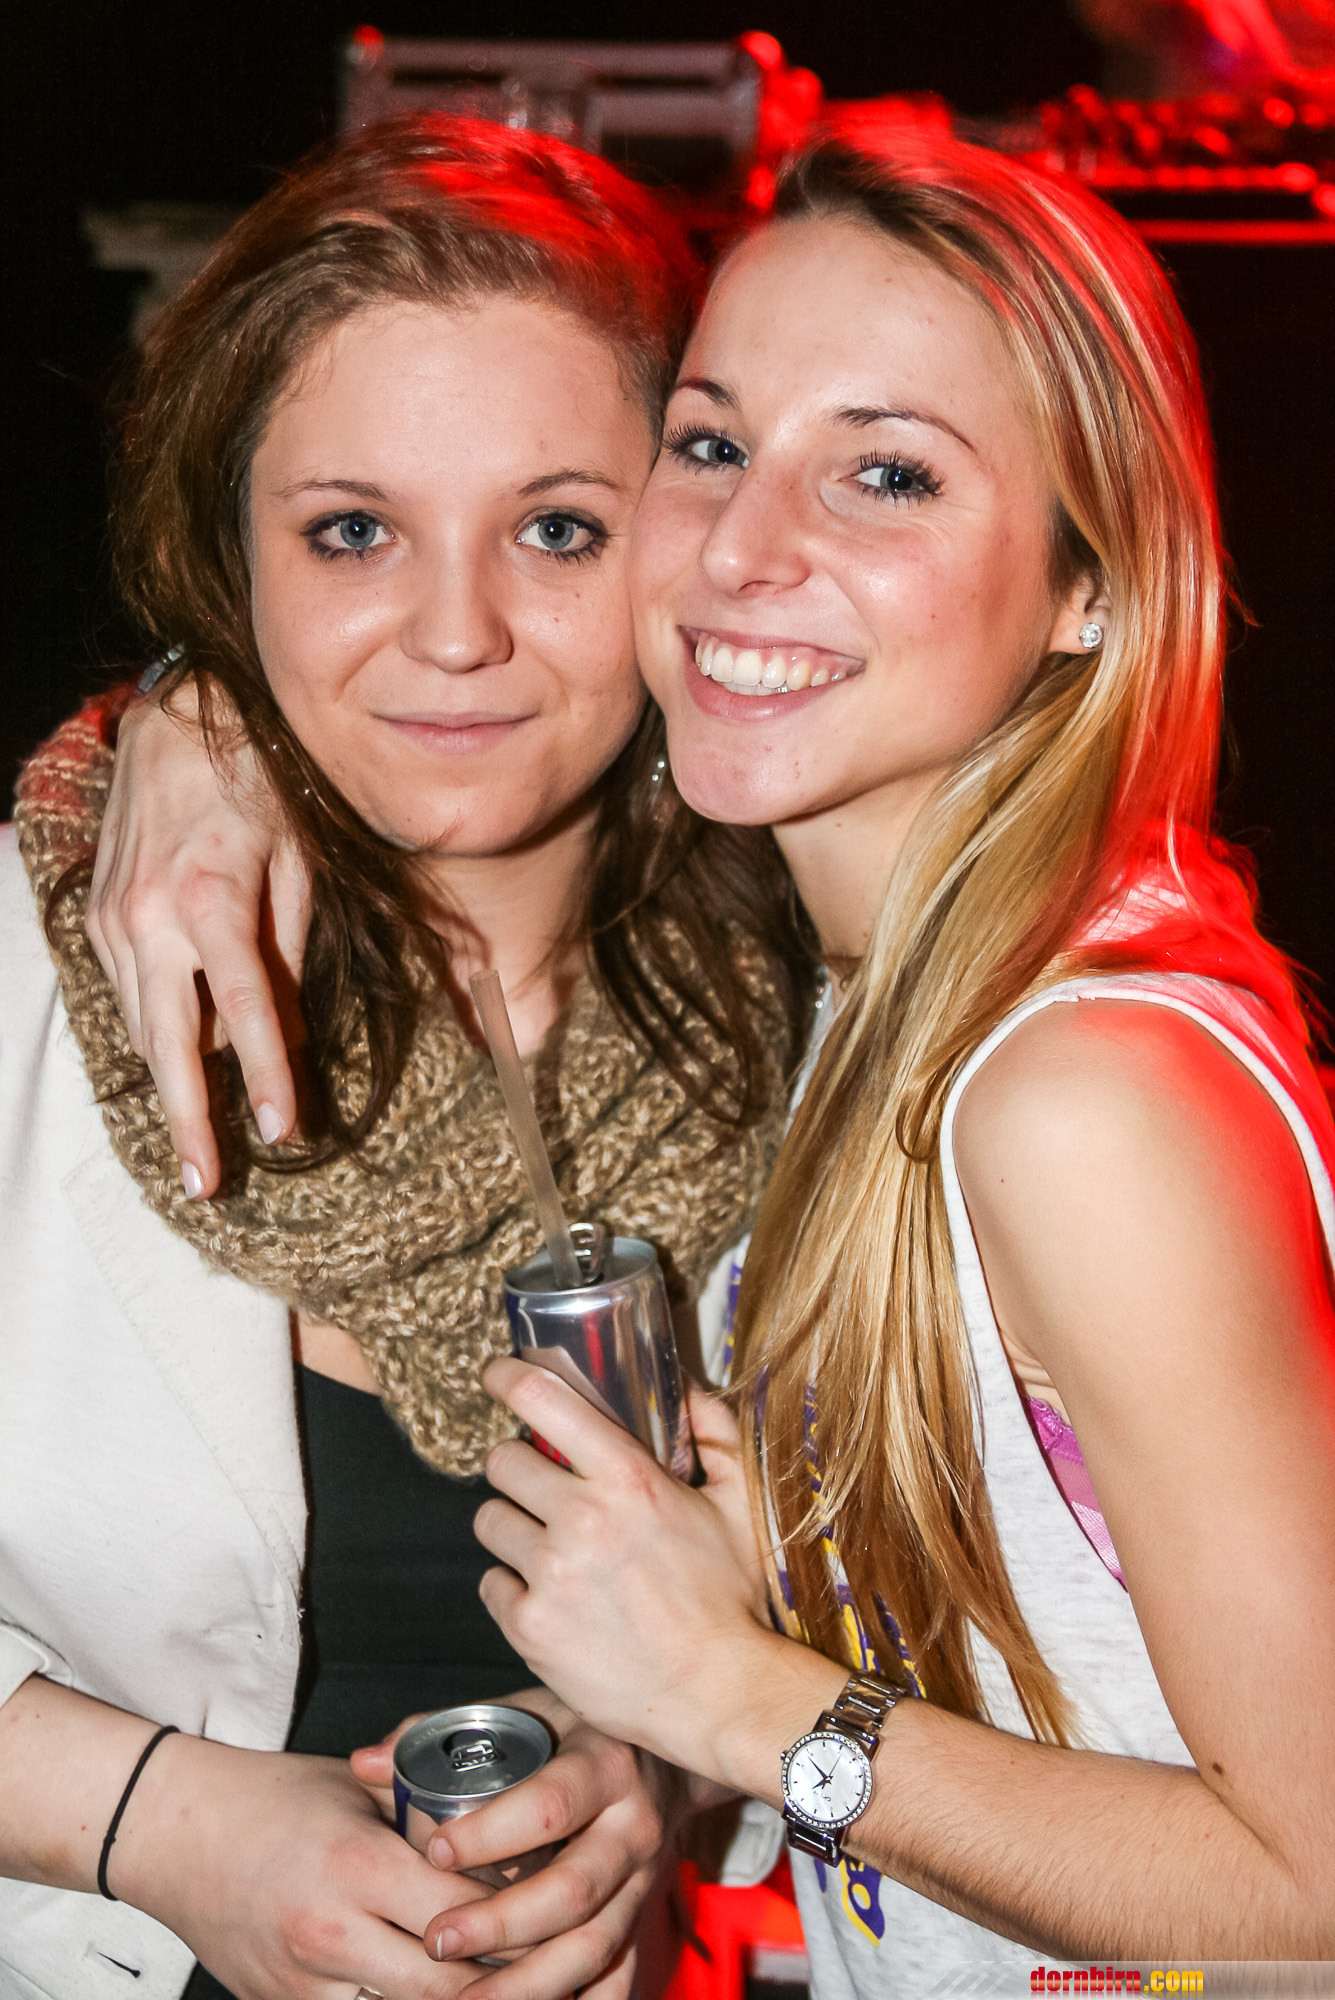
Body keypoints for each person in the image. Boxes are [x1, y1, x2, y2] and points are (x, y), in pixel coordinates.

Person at [56, 132, 1335, 1987]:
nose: (745, 549)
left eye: (887, 473)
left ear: (1096, 582)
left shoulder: (1078, 1093)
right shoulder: (832, 1015)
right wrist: (183, 713)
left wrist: (737, 1706)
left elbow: (1314, 1877)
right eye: (717, 447)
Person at [0, 115, 815, 2000]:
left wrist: (664, 1764)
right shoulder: (38, 977)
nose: (457, 636)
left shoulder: (826, 1007)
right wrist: (162, 1824)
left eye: (557, 529)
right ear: (234, 554)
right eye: (353, 532)